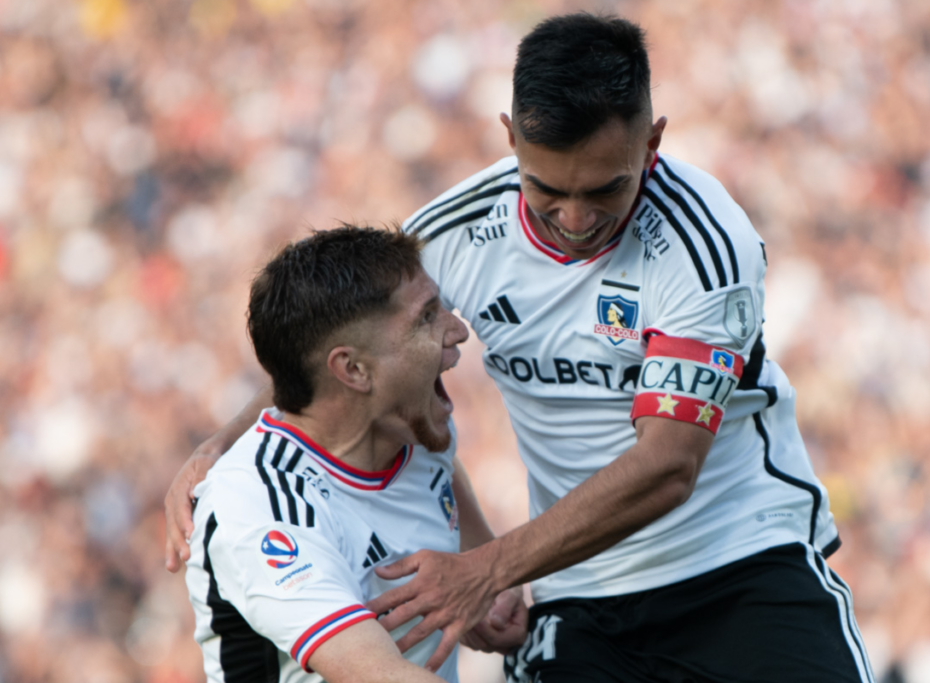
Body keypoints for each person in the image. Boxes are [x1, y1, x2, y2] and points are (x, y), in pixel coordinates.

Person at [168, 14, 874, 683]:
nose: (574, 218)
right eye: (546, 189)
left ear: (651, 143)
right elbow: (340, 344)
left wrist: (487, 566)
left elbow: (667, 465)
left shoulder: (703, 244)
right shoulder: (456, 230)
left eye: (607, 188)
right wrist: (222, 442)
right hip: (577, 587)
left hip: (738, 564)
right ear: (511, 140)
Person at [182, 226, 526, 683]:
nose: (458, 330)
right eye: (426, 318)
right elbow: (380, 675)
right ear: (354, 370)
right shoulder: (259, 504)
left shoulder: (413, 429)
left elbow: (443, 489)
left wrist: (484, 585)